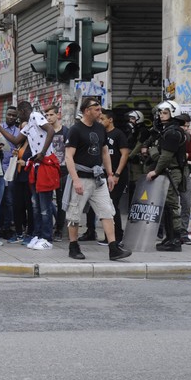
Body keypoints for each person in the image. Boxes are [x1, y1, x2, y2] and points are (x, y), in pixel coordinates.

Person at [65, 97, 132, 261]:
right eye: (97, 109)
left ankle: (113, 248)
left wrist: (110, 174)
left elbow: (104, 153)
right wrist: (76, 180)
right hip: (81, 177)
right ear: (87, 110)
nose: (100, 112)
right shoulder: (75, 130)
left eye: (100, 109)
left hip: (98, 179)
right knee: (74, 214)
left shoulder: (100, 128)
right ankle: (73, 247)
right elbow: (68, 157)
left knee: (107, 212)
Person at [0, 101, 58, 250]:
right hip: (36, 166)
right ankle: (38, 235)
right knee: (37, 205)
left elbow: (51, 131)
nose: (16, 117)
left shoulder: (35, 115)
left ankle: (47, 238)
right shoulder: (29, 125)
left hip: (45, 162)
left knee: (44, 205)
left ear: (22, 111)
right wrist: (0, 128)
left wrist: (42, 152)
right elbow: (15, 140)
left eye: (18, 114)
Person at [143, 100, 188, 252]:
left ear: (173, 113)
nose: (161, 115)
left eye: (165, 113)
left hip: (171, 171)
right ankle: (169, 238)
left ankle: (175, 240)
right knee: (167, 206)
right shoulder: (166, 130)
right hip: (168, 170)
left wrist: (155, 170)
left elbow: (166, 157)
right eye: (161, 113)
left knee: (172, 205)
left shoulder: (173, 132)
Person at [88, 109, 130, 246]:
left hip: (118, 175)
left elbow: (124, 154)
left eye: (102, 119)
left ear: (110, 120)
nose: (100, 121)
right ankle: (109, 236)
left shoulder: (118, 134)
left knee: (112, 204)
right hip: (103, 174)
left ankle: (117, 236)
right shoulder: (101, 134)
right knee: (106, 205)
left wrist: (117, 173)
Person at [44, 105, 69, 242]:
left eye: (51, 115)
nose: (49, 118)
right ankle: (49, 226)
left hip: (63, 169)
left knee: (61, 201)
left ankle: (59, 229)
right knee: (46, 200)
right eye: (46, 115)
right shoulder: (45, 131)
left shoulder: (66, 131)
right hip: (48, 169)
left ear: (57, 115)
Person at [0, 106, 20, 238]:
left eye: (13, 115)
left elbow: (17, 144)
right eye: (9, 114)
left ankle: (7, 226)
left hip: (11, 168)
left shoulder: (18, 131)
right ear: (5, 115)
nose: (11, 117)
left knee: (9, 199)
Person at [176, 113, 191, 244]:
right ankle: (171, 230)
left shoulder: (188, 137)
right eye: (184, 125)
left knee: (186, 203)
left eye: (188, 126)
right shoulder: (171, 135)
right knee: (171, 204)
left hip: (184, 172)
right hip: (171, 172)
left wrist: (181, 155)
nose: (186, 128)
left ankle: (183, 231)